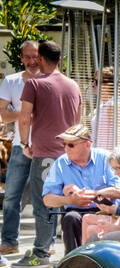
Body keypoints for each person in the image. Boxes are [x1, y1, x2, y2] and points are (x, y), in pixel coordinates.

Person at [16, 39, 81, 267]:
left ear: (41, 59)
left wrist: (25, 143)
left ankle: (41, 252)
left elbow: (24, 117)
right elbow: (78, 121)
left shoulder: (34, 84)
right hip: (69, 154)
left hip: (44, 153)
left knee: (44, 202)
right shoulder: (73, 85)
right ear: (60, 59)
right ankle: (69, 251)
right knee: (67, 202)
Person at [38, 123, 120, 253]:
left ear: (87, 144)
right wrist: (70, 200)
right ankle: (73, 261)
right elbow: (47, 199)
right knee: (70, 218)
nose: (66, 149)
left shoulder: (106, 158)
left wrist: (91, 194)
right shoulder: (60, 162)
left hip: (104, 209)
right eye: (63, 144)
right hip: (74, 211)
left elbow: (119, 190)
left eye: (71, 145)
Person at [0, 40, 44, 257]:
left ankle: (45, 243)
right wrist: (24, 112)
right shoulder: (12, 80)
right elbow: (3, 113)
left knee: (44, 196)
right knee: (11, 196)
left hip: (45, 146)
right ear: (21, 58)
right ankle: (9, 241)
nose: (32, 61)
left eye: (35, 56)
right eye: (27, 57)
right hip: (19, 145)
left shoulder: (50, 80)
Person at [80, 146, 120, 245]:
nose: (116, 173)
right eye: (114, 169)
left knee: (91, 227)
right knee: (88, 221)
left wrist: (114, 209)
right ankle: (84, 256)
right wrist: (110, 208)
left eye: (118, 168)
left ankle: (84, 256)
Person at [88, 66, 120, 149]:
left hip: (107, 158)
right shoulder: (104, 105)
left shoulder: (114, 106)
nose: (92, 84)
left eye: (96, 82)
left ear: (107, 85)